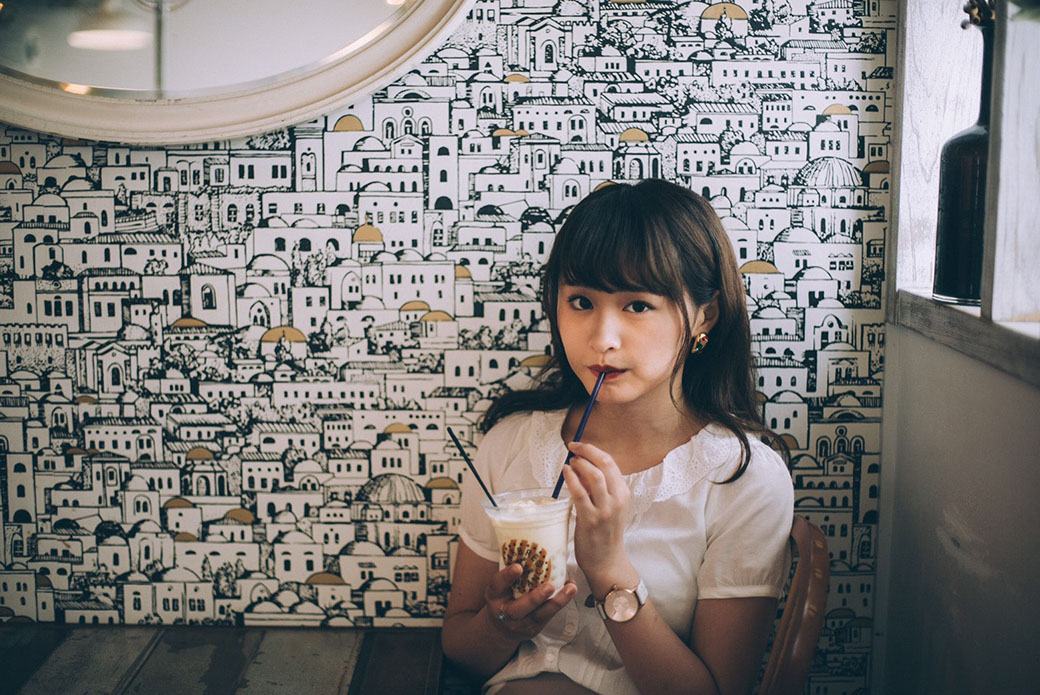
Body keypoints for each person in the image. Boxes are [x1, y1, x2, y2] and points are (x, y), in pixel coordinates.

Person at [441, 179, 795, 695]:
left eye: (638, 305)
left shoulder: (743, 479)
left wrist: (609, 569)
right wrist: (502, 626)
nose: (602, 339)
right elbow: (460, 649)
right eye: (581, 301)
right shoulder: (509, 446)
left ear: (705, 315)